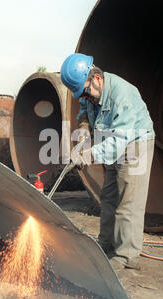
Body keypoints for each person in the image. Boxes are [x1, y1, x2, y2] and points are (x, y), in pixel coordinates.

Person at [60, 53, 155, 271]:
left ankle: (126, 256)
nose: (84, 98)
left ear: (97, 79)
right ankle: (106, 243)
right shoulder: (90, 93)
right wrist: (83, 132)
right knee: (109, 195)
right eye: (80, 95)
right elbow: (84, 111)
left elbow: (119, 141)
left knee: (127, 201)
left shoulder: (123, 95)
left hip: (134, 143)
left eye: (85, 92)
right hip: (110, 139)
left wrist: (87, 156)